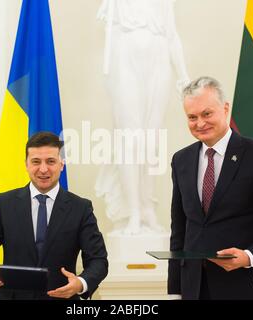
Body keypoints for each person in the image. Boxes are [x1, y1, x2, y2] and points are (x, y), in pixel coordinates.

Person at [168, 76, 253, 299]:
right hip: (193, 290)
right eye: (192, 117)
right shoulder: (181, 160)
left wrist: (249, 256)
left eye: (207, 114)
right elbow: (179, 232)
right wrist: (175, 292)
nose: (199, 123)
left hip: (245, 287)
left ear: (225, 108)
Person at [0, 132, 108, 300]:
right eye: (35, 162)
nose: (43, 169)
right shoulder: (5, 203)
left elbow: (98, 260)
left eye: (51, 161)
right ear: (26, 165)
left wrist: (81, 283)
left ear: (62, 164)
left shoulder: (81, 208)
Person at [96, 0, 190, 235]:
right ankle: (133, 212)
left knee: (151, 139)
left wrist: (184, 77)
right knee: (130, 138)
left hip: (159, 61)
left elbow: (172, 35)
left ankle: (147, 208)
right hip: (125, 58)